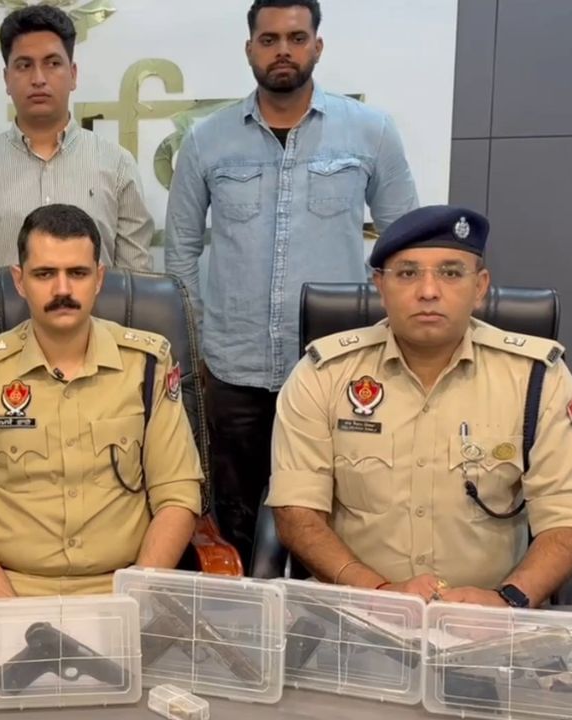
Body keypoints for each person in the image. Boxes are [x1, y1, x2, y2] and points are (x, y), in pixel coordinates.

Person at [164, 0, 419, 567]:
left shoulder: (370, 131)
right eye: (270, 39)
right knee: (234, 517)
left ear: (317, 46)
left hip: (335, 368)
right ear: (250, 48)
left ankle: (319, 618)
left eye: (297, 38)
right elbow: (180, 251)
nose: (283, 50)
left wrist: (387, 342)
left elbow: (405, 245)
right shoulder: (207, 140)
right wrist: (197, 343)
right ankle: (240, 620)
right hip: (233, 371)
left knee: (334, 517)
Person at [266, 205, 572, 608]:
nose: (428, 291)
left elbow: (569, 514)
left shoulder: (538, 378)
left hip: (492, 619)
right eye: (407, 273)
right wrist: (378, 592)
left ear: (480, 287)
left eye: (451, 273)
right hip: (354, 614)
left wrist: (507, 599)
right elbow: (297, 513)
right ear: (380, 286)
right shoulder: (322, 374)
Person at [0, 204, 202, 603]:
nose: (62, 290)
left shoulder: (147, 365)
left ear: (99, 279)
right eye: (44, 274)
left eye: (77, 273)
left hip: (122, 590)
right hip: (8, 591)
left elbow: (177, 497)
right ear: (20, 281)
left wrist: (131, 604)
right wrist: (10, 614)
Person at [0, 5, 154, 278]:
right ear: (7, 78)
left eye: (52, 63)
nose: (38, 79)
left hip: (96, 309)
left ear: (73, 74)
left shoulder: (117, 165)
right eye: (24, 65)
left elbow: (135, 285)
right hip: (2, 310)